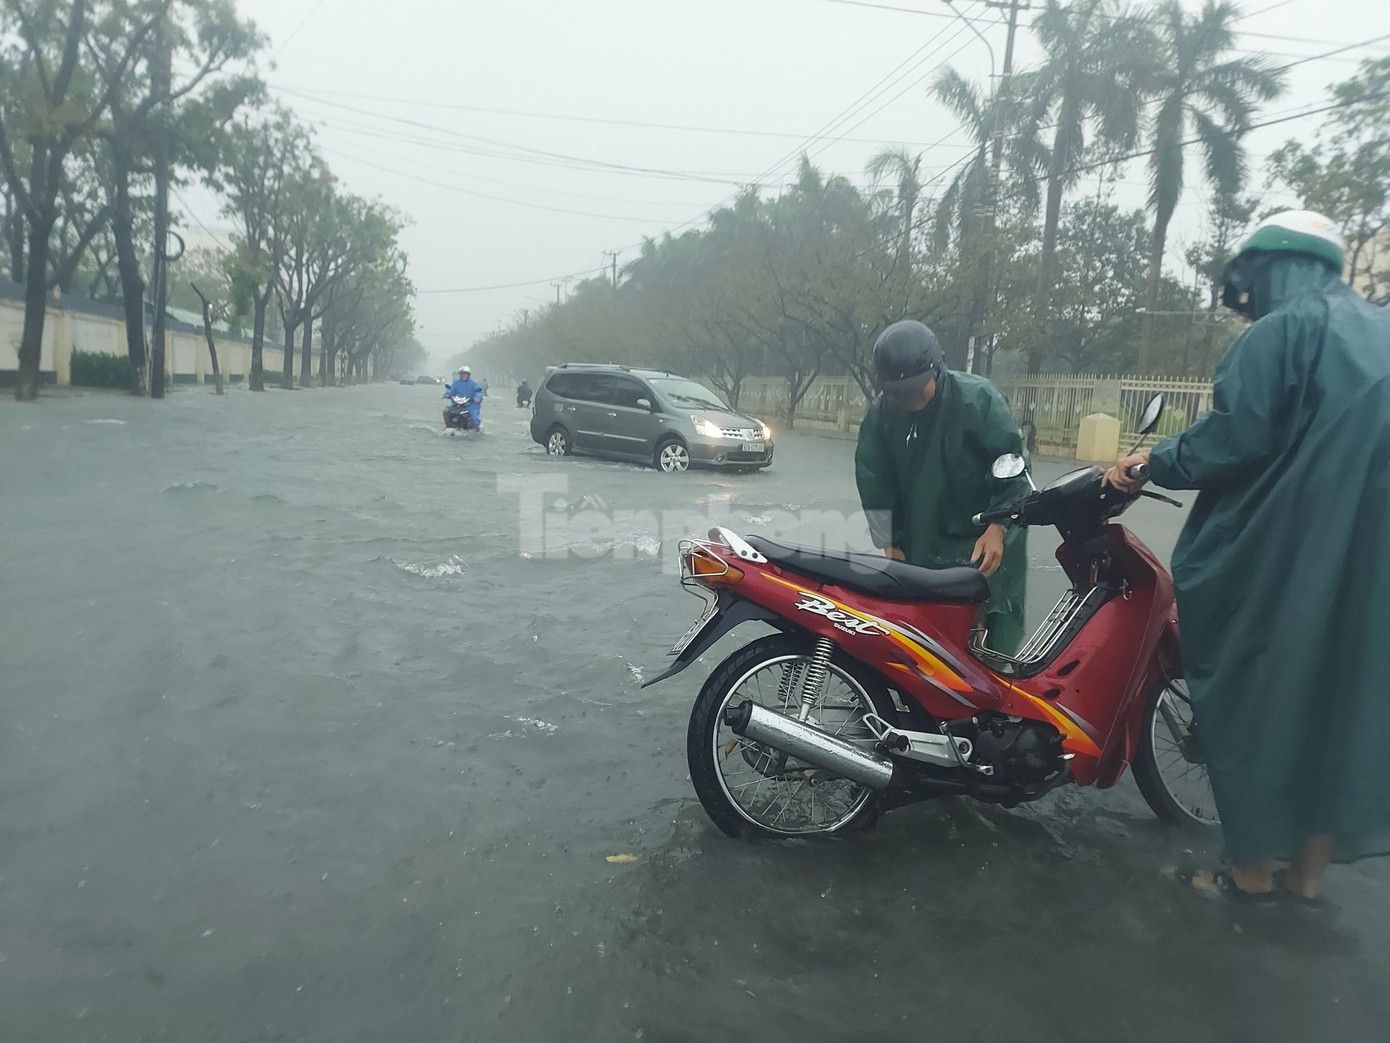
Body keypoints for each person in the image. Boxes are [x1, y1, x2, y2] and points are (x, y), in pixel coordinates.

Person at [1106, 210, 1390, 904]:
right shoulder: (1382, 331)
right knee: (1345, 704)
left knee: (1260, 696)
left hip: (1286, 555)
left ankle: (1253, 873)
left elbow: (1235, 435)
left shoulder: (1283, 332)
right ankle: (1309, 878)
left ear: (1266, 268)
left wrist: (1154, 460)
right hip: (1370, 566)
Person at [855, 320, 1030, 654]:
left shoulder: (977, 401)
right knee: (923, 633)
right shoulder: (882, 415)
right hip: (922, 535)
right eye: (900, 391)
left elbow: (1012, 465)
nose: (912, 397)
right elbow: (874, 480)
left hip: (983, 533)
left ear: (936, 369)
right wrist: (889, 540)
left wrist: (999, 526)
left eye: (919, 386)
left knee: (985, 631)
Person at [443, 365, 485, 430]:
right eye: (461, 374)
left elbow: (478, 391)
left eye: (465, 374)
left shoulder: (473, 383)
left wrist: (477, 398)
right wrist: (447, 394)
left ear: (468, 375)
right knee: (446, 411)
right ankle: (448, 426)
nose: (463, 375)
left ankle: (475, 429)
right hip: (457, 404)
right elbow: (451, 389)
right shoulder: (456, 382)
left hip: (470, 405)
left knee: (474, 418)